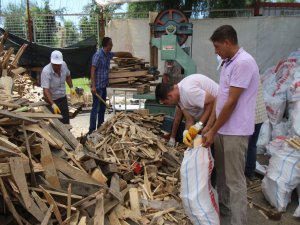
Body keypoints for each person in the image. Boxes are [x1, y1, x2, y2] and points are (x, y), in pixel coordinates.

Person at [202, 25, 259, 225]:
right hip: (223, 130)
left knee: (235, 181)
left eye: (217, 46)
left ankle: (238, 221)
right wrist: (210, 128)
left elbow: (232, 102)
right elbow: (220, 96)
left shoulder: (244, 63)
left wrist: (213, 129)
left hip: (236, 131)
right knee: (223, 178)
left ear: (227, 42)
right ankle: (224, 214)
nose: (215, 51)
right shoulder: (227, 63)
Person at [155, 74, 219, 147]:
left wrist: (201, 125)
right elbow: (189, 119)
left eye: (166, 103)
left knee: (223, 147)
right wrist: (187, 133)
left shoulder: (188, 91)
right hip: (211, 118)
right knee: (201, 144)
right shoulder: (179, 99)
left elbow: (212, 101)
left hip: (222, 113)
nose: (169, 105)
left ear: (170, 96)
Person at [89, 37, 132, 134]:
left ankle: (99, 128)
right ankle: (91, 130)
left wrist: (126, 54)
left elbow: (117, 54)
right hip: (97, 87)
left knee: (102, 108)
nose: (112, 46)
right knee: (95, 109)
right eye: (111, 44)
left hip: (103, 86)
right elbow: (92, 70)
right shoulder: (98, 55)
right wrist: (93, 86)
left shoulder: (107, 54)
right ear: (107, 45)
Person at [41, 50, 76, 124]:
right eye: (55, 64)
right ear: (51, 62)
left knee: (66, 122)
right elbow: (46, 90)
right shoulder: (46, 71)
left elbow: (68, 76)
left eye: (59, 64)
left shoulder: (64, 65)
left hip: (63, 98)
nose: (57, 66)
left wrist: (71, 87)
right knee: (55, 125)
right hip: (52, 100)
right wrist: (53, 104)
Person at [245, 82, 267, 180]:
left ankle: (247, 172)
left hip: (251, 116)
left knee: (245, 145)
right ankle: (250, 172)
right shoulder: (254, 71)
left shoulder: (244, 72)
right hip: (259, 114)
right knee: (252, 145)